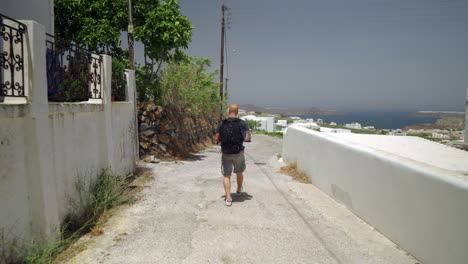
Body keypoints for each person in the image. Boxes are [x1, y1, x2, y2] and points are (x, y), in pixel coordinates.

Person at [215, 104, 251, 206]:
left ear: (228, 112)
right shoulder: (242, 123)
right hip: (238, 152)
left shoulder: (222, 123)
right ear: (237, 112)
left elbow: (216, 138)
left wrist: (221, 140)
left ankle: (228, 198)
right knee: (239, 172)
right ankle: (239, 190)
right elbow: (248, 138)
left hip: (226, 152)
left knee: (227, 175)